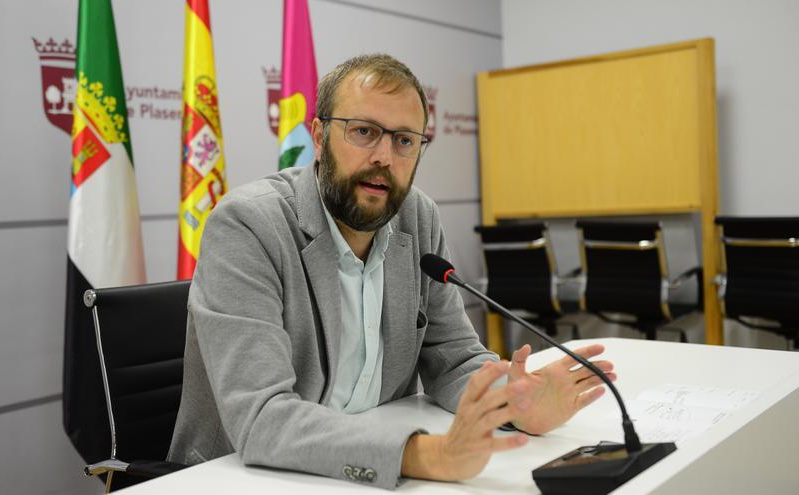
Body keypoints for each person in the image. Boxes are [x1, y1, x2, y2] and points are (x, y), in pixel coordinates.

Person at [168, 53, 615, 489]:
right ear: (319, 138)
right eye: (364, 132)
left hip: (366, 466)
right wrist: (430, 455)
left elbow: (454, 359)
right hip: (241, 477)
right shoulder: (248, 225)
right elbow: (262, 417)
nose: (385, 156)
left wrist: (512, 402)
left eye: (404, 140)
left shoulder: (417, 217)